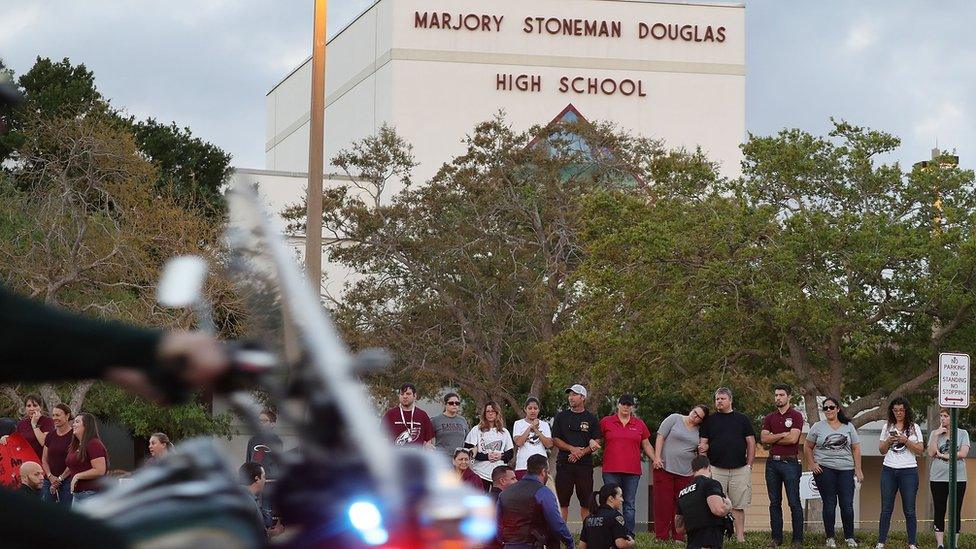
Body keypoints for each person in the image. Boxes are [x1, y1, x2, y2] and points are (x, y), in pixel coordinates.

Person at [804, 397, 863, 548]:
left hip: (846, 469)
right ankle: (830, 538)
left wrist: (858, 469)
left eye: (831, 407)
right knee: (829, 504)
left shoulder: (848, 426)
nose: (828, 410)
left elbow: (856, 448)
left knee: (847, 505)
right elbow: (807, 446)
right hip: (825, 469)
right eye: (825, 408)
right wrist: (812, 463)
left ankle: (849, 537)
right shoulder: (818, 426)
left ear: (838, 409)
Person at [698, 387, 755, 542]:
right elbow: (702, 445)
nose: (719, 401)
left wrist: (749, 464)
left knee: (738, 505)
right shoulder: (709, 421)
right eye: (717, 399)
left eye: (722, 398)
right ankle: (717, 537)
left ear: (730, 400)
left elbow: (751, 442)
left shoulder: (742, 419)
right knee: (715, 505)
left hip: (740, 469)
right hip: (716, 469)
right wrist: (705, 468)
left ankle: (740, 537)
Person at [600, 394, 653, 537]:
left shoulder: (639, 424)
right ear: (618, 404)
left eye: (629, 404)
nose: (626, 407)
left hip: (632, 471)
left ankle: (628, 535)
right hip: (611, 469)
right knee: (611, 503)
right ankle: (612, 534)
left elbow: (646, 444)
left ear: (632, 407)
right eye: (623, 404)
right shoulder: (606, 421)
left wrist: (655, 459)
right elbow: (596, 439)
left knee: (629, 504)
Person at [653, 404, 709, 542]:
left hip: (685, 472)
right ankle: (661, 536)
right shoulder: (675, 418)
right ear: (692, 409)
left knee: (682, 504)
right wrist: (657, 456)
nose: (695, 417)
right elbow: (660, 436)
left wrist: (704, 447)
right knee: (662, 504)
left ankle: (679, 535)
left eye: (699, 417)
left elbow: (702, 449)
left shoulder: (700, 432)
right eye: (695, 413)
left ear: (701, 421)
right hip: (664, 468)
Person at [497, 453, 575, 549]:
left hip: (509, 545)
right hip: (532, 544)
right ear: (543, 472)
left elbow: (497, 524)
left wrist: (504, 542)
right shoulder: (543, 492)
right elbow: (556, 523)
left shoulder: (505, 493)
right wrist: (569, 542)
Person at [760, 384, 805, 548]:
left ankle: (797, 539)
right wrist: (781, 435)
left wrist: (773, 437)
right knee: (774, 502)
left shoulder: (796, 416)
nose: (778, 397)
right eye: (776, 395)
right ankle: (776, 538)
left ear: (789, 397)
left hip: (790, 463)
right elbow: (764, 439)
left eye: (781, 395)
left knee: (794, 502)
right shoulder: (769, 417)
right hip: (772, 463)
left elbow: (793, 439)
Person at [876, 397, 923, 549]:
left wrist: (906, 440)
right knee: (886, 508)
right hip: (889, 469)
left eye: (901, 410)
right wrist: (889, 441)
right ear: (892, 411)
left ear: (906, 410)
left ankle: (912, 543)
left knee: (909, 509)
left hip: (909, 470)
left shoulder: (914, 427)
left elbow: (920, 451)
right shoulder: (886, 426)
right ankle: (881, 542)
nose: (898, 413)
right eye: (895, 410)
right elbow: (882, 450)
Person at [552, 383, 601, 522]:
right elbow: (555, 439)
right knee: (562, 502)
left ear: (583, 397)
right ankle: (562, 535)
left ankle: (587, 535)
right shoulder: (561, 416)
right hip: (564, 463)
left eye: (574, 394)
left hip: (585, 465)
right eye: (570, 394)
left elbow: (597, 440)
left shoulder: (591, 418)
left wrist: (581, 452)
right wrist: (572, 449)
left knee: (586, 502)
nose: (571, 397)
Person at [928, 407, 970, 549]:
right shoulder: (935, 433)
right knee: (939, 509)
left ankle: (955, 543)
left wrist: (942, 456)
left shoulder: (962, 433)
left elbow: (963, 453)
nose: (943, 418)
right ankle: (940, 544)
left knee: (956, 510)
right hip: (938, 477)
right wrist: (936, 436)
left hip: (958, 477)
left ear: (952, 417)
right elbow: (931, 452)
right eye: (941, 416)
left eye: (945, 416)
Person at [675, 455, 732, 549]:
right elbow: (718, 510)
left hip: (692, 543)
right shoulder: (710, 483)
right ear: (709, 467)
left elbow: (679, 528)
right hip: (710, 540)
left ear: (693, 470)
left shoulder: (683, 492)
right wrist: (728, 506)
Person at [464, 401, 514, 490]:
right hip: (481, 473)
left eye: (493, 411)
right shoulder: (476, 430)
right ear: (484, 414)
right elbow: (468, 451)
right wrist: (486, 456)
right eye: (488, 411)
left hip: (499, 475)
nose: (490, 413)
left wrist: (501, 456)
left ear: (497, 413)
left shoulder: (504, 432)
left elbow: (510, 453)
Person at [62, 412, 109, 506]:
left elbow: (100, 470)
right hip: (77, 496)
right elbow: (73, 466)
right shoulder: (76, 445)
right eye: (74, 422)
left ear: (86, 425)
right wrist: (60, 478)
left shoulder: (93, 444)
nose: (73, 424)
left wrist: (77, 476)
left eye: (77, 422)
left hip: (91, 495)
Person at [579, 483, 635, 549]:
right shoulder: (616, 516)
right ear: (611, 498)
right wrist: (631, 543)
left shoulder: (589, 518)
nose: (622, 500)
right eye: (620, 496)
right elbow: (621, 544)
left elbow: (582, 546)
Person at [0, 394, 54, 461]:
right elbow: (16, 442)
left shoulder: (48, 421)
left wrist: (34, 424)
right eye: (28, 406)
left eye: (35, 405)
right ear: (25, 408)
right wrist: (6, 438)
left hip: (42, 461)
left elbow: (44, 442)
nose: (31, 409)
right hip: (26, 461)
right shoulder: (22, 424)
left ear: (40, 407)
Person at [239, 462, 285, 539]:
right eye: (264, 477)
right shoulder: (247, 502)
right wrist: (271, 534)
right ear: (257, 479)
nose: (265, 480)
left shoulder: (245, 498)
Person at [381, 383, 435, 447]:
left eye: (408, 394)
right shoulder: (390, 414)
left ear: (415, 396)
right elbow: (382, 437)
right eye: (402, 394)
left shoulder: (422, 415)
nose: (404, 396)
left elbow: (429, 439)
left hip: (416, 456)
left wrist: (428, 449)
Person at [41, 403, 73, 505]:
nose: (55, 418)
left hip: (67, 481)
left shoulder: (74, 436)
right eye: (53, 415)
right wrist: (50, 476)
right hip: (48, 480)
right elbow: (44, 459)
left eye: (58, 415)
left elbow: (74, 460)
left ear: (67, 416)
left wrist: (60, 479)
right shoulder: (50, 435)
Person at [513, 396, 553, 479]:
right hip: (523, 465)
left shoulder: (544, 425)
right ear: (525, 409)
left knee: (539, 491)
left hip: (541, 466)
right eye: (530, 408)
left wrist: (536, 430)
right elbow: (519, 442)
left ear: (538, 410)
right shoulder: (518, 423)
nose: (532, 411)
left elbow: (549, 444)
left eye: (535, 408)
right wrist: (530, 427)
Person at [245, 409, 283, 478]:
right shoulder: (252, 440)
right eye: (259, 421)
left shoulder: (276, 441)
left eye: (264, 421)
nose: (261, 423)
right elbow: (248, 460)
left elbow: (278, 463)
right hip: (254, 478)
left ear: (272, 424)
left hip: (269, 478)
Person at [432, 393, 470, 458]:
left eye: (457, 403)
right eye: (451, 403)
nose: (454, 405)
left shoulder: (462, 420)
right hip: (442, 459)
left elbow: (468, 440)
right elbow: (428, 441)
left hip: (459, 459)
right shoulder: (435, 420)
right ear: (445, 404)